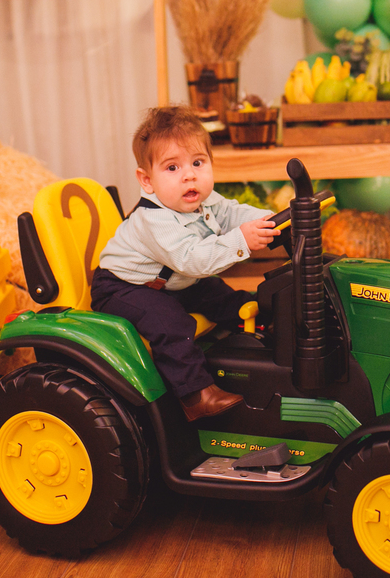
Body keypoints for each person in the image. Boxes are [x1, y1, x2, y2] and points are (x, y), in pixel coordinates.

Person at [92, 106, 277, 422]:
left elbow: (231, 213)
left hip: (174, 280)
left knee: (218, 294)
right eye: (172, 167)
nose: (189, 175)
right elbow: (193, 259)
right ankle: (195, 395)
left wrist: (269, 220)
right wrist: (242, 241)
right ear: (147, 180)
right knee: (169, 322)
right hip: (123, 287)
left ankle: (260, 328)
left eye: (197, 163)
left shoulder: (202, 200)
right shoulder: (154, 220)